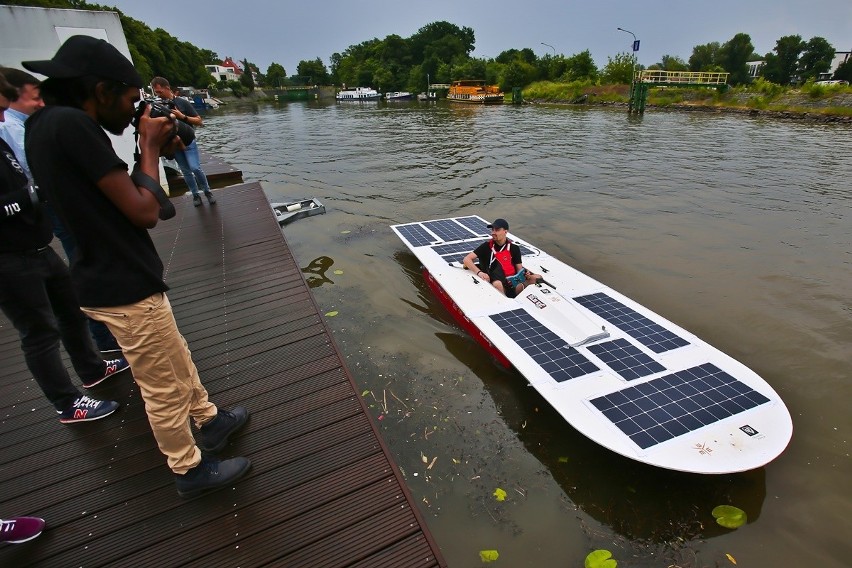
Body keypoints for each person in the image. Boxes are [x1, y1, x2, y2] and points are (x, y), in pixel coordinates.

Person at [23, 35, 249, 498]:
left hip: (116, 275)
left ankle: (208, 419)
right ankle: (188, 470)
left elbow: (119, 200)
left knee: (177, 353)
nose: (132, 112)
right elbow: (146, 211)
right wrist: (147, 145)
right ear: (100, 90)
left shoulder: (43, 124)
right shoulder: (72, 126)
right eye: (129, 100)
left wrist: (144, 154)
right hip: (121, 284)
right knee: (161, 384)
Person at [0, 70, 125, 423]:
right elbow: (19, 195)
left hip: (37, 246)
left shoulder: (3, 138)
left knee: (69, 311)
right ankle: (67, 403)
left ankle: (92, 368)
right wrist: (30, 196)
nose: (6, 109)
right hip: (8, 258)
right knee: (39, 332)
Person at [149, 76, 215, 208]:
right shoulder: (158, 106)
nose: (157, 95)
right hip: (174, 143)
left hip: (188, 141)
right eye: (155, 92)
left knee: (195, 167)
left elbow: (199, 121)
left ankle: (207, 191)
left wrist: (182, 117)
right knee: (185, 171)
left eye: (159, 91)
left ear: (167, 88)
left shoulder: (182, 103)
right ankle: (195, 194)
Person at [463, 218, 538, 298]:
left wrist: (525, 274)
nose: (493, 233)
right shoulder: (486, 247)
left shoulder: (514, 248)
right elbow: (466, 259)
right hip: (496, 283)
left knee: (537, 278)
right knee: (498, 284)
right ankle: (507, 305)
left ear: (505, 232)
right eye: (492, 230)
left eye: (497, 230)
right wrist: (479, 273)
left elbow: (519, 270)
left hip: (513, 283)